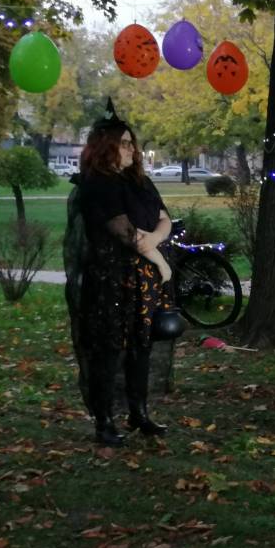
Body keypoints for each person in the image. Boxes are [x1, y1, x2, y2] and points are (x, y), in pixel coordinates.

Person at [64, 99, 175, 446]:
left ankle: (139, 413)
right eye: (123, 143)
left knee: (142, 346)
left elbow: (164, 218)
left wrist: (156, 239)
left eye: (131, 143)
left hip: (143, 283)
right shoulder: (96, 184)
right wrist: (160, 260)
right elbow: (126, 233)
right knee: (109, 350)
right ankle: (104, 421)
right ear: (106, 147)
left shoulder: (138, 182)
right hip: (111, 281)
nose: (130, 149)